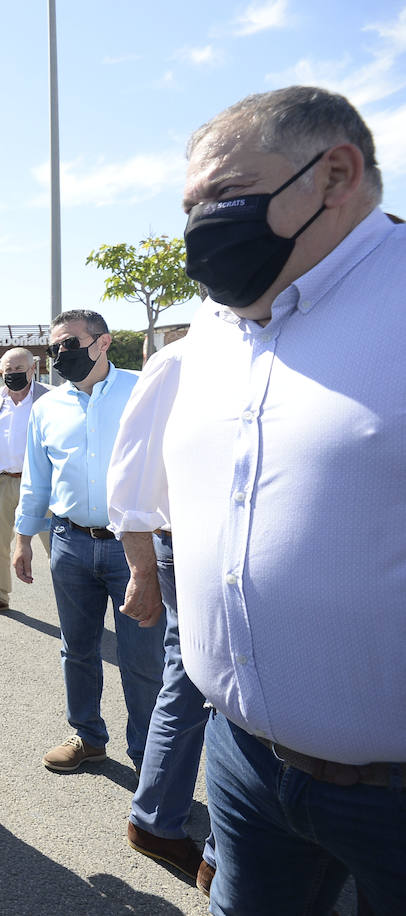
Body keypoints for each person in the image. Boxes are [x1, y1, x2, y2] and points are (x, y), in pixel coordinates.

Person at [169, 85, 406, 914]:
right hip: (241, 761)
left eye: (225, 198)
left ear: (336, 173)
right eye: (190, 208)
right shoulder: (209, 330)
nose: (202, 227)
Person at [11, 310, 162, 774]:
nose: (60, 355)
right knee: (77, 649)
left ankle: (148, 756)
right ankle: (88, 736)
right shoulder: (46, 408)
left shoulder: (143, 390)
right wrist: (22, 539)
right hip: (69, 543)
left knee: (141, 658)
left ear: (102, 343)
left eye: (69, 344)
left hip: (132, 547)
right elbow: (37, 480)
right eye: (54, 347)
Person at [105, 338, 216, 894]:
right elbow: (131, 485)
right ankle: (227, 851)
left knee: (195, 684)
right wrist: (143, 572)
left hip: (225, 546)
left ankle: (159, 820)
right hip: (193, 546)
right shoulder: (181, 360)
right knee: (212, 688)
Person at [0, 348, 50, 615]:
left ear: (32, 369)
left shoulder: (48, 397)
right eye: (7, 370)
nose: (12, 375)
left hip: (41, 483)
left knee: (56, 544)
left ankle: (73, 597)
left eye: (18, 370)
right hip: (2, 481)